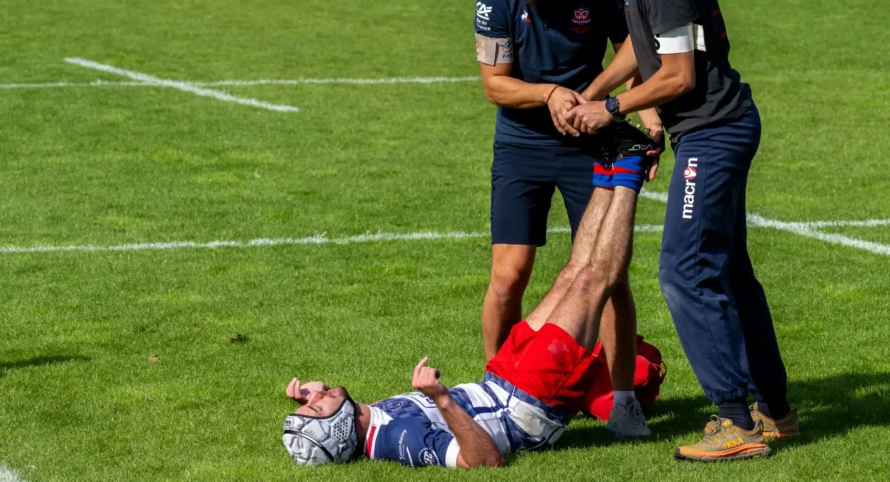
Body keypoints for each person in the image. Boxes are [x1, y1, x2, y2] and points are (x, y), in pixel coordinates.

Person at [548, 0, 798, 462]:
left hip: (714, 133)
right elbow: (644, 48)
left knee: (685, 272)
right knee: (730, 272)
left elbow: (679, 75)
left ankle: (736, 421)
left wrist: (611, 109)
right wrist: (591, 93)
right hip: (712, 129)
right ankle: (774, 410)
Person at [282, 134, 665, 468]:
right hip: (526, 406)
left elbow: (330, 412)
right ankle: (630, 165)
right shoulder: (399, 440)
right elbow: (484, 461)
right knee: (591, 282)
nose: (318, 396)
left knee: (572, 274)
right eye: (317, 407)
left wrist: (311, 395)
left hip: (501, 380)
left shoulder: (366, 421)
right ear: (338, 428)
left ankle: (608, 162)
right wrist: (442, 400)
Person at [472, 0, 662, 436]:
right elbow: (494, 85)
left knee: (609, 276)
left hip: (590, 144)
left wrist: (647, 118)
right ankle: (495, 390)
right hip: (522, 147)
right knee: (509, 276)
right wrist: (550, 93)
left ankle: (624, 401)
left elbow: (635, 54)